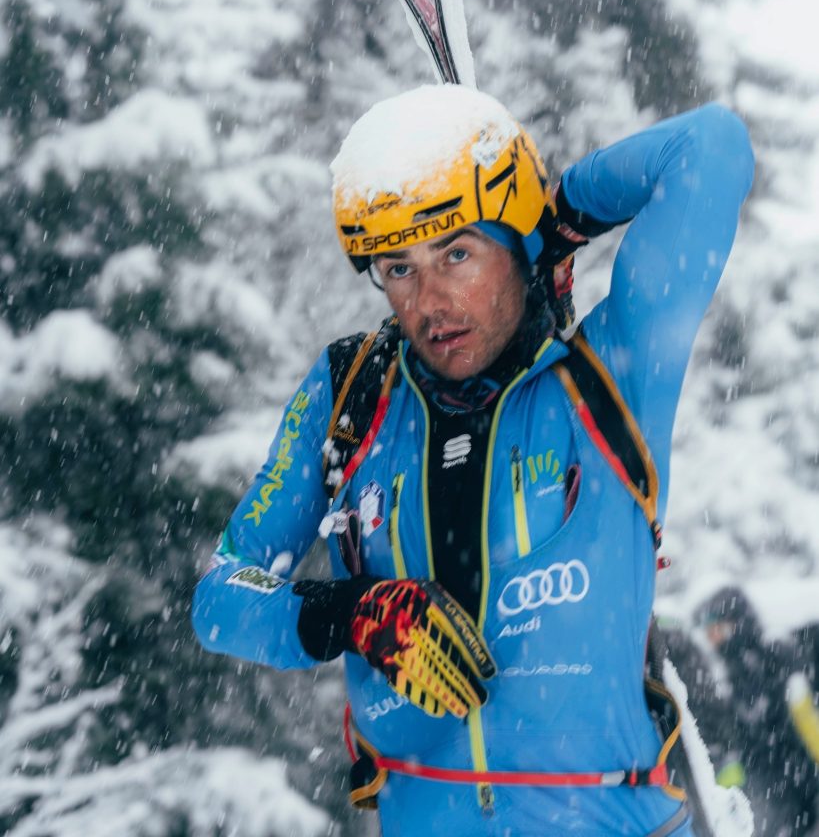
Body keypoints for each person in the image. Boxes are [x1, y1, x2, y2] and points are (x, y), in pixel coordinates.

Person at [192, 83, 754, 837]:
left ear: (515, 244)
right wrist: (352, 614)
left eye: (457, 254)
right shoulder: (350, 396)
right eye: (397, 269)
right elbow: (220, 599)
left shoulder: (610, 376)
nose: (428, 300)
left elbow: (710, 147)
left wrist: (555, 216)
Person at [690, 586, 819, 836]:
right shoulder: (735, 672)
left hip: (799, 784)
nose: (711, 637)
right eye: (708, 631)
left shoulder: (774, 659)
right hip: (775, 790)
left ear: (736, 624)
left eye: (716, 627)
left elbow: (805, 722)